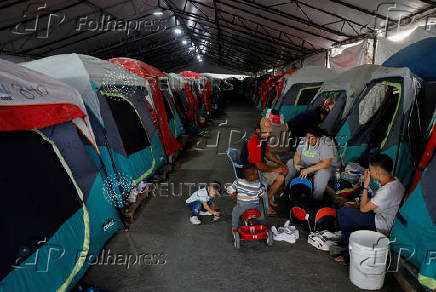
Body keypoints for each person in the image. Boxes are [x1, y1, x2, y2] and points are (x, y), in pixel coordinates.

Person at [335, 154, 405, 262]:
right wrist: (357, 205)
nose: (368, 172)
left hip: (381, 226)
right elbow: (373, 203)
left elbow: (364, 209)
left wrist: (366, 186)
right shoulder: (395, 181)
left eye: (370, 169)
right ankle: (352, 241)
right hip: (380, 217)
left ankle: (350, 254)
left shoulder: (386, 191)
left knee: (344, 212)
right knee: (350, 206)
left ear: (377, 172)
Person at [240, 117, 289, 215]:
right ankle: (265, 201)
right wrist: (276, 169)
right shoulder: (253, 140)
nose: (269, 134)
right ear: (258, 130)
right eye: (266, 132)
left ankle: (268, 197)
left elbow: (267, 153)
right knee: (280, 178)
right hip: (251, 170)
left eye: (270, 132)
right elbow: (258, 166)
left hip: (260, 164)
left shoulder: (262, 137)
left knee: (285, 169)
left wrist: (281, 163)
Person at [285, 127, 339, 201]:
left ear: (318, 137)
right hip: (307, 165)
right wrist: (296, 164)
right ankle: (288, 191)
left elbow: (326, 164)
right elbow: (297, 155)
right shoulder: (304, 140)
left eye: (312, 138)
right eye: (307, 137)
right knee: (290, 163)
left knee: (322, 174)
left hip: (324, 167)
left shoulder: (326, 142)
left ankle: (316, 200)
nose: (309, 140)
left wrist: (308, 170)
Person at [228, 163, 266, 232]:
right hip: (255, 207)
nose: (258, 175)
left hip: (242, 208)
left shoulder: (238, 182)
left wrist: (229, 190)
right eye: (257, 173)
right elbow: (262, 194)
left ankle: (234, 228)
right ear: (251, 176)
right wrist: (263, 189)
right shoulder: (258, 185)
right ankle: (261, 224)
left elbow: (231, 189)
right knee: (260, 206)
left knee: (235, 212)